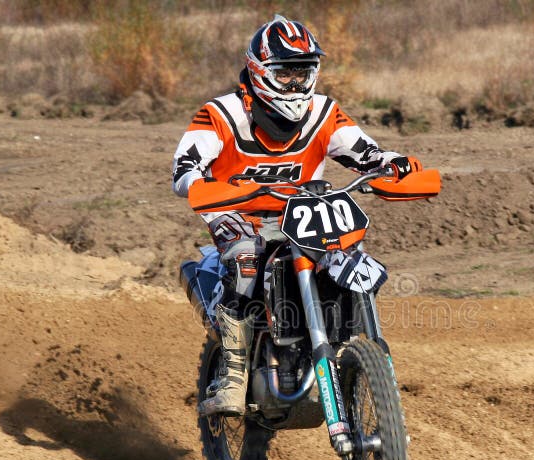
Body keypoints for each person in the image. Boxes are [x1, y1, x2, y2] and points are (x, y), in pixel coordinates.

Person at [172, 14, 423, 417]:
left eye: (303, 73)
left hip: (302, 214)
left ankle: (355, 355)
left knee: (348, 256)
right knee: (247, 260)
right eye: (285, 73)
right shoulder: (221, 114)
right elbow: (185, 167)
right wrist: (201, 184)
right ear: (259, 71)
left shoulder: (323, 112)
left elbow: (364, 152)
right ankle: (234, 376)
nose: (295, 84)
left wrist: (392, 164)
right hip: (239, 214)